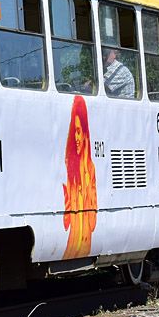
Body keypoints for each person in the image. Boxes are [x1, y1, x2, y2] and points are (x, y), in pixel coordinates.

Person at [62, 94, 98, 259]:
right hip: (72, 242)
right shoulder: (70, 169)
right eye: (74, 131)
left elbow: (93, 221)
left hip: (86, 240)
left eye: (79, 131)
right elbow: (67, 221)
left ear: (85, 133)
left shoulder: (90, 169)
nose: (77, 137)